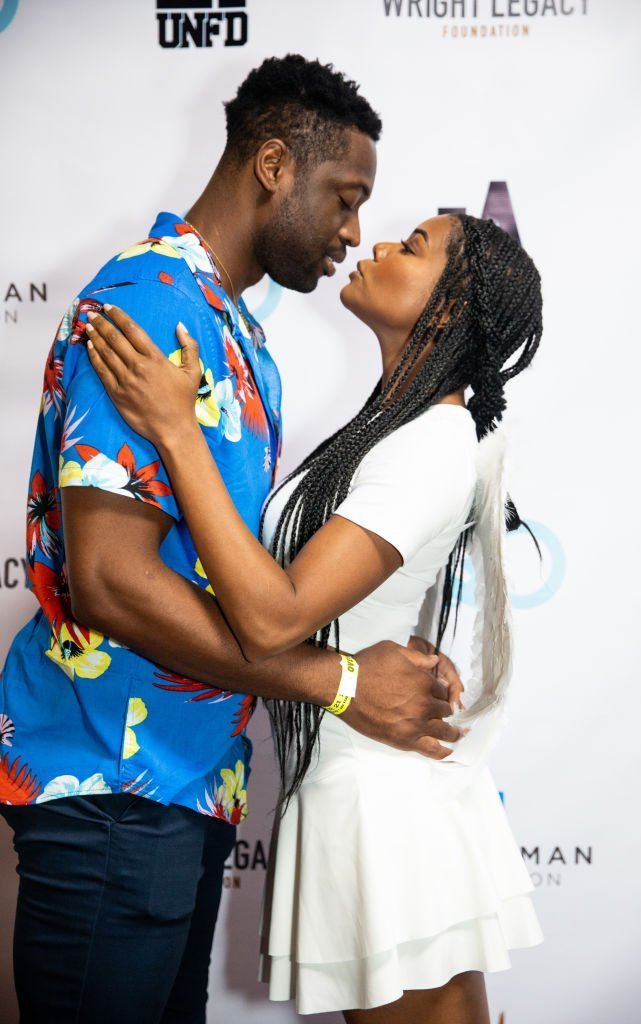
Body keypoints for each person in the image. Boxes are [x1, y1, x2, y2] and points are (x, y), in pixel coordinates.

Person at [0, 56, 464, 1024]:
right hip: (111, 783)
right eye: (343, 197)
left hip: (181, 787)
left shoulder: (237, 333)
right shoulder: (155, 304)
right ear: (269, 164)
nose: (350, 231)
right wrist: (336, 683)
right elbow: (113, 584)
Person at [84, 209, 545, 1023]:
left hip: (382, 801)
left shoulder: (431, 442)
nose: (374, 245)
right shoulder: (392, 431)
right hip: (350, 785)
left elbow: (272, 618)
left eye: (410, 248)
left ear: (446, 309)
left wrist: (174, 431)